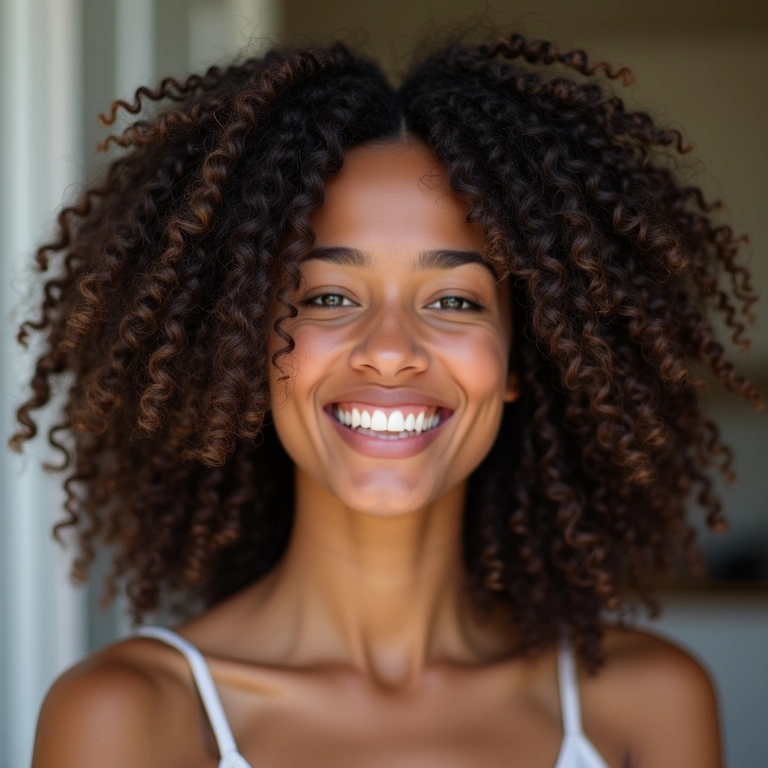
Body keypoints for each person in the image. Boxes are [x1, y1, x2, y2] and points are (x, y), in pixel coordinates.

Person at [10, 30, 762, 768]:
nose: (393, 349)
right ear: (244, 349)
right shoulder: (132, 717)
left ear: (516, 360)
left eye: (456, 302)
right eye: (331, 295)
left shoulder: (645, 702)